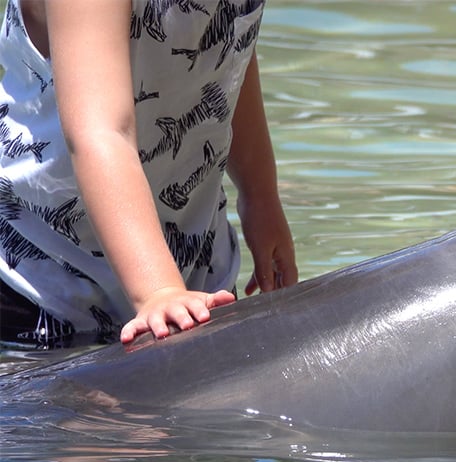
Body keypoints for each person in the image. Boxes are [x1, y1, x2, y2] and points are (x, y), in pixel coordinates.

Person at [0, 0, 297, 347]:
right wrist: (158, 290)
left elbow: (226, 50)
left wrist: (261, 197)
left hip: (194, 270)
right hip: (40, 286)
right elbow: (100, 133)